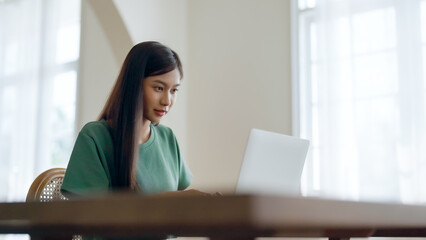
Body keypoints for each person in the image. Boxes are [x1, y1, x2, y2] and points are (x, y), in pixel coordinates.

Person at [61, 41, 207, 198]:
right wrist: (165, 202)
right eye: (159, 88)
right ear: (134, 85)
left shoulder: (168, 138)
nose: (167, 100)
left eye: (174, 90)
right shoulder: (95, 137)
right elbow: (89, 214)